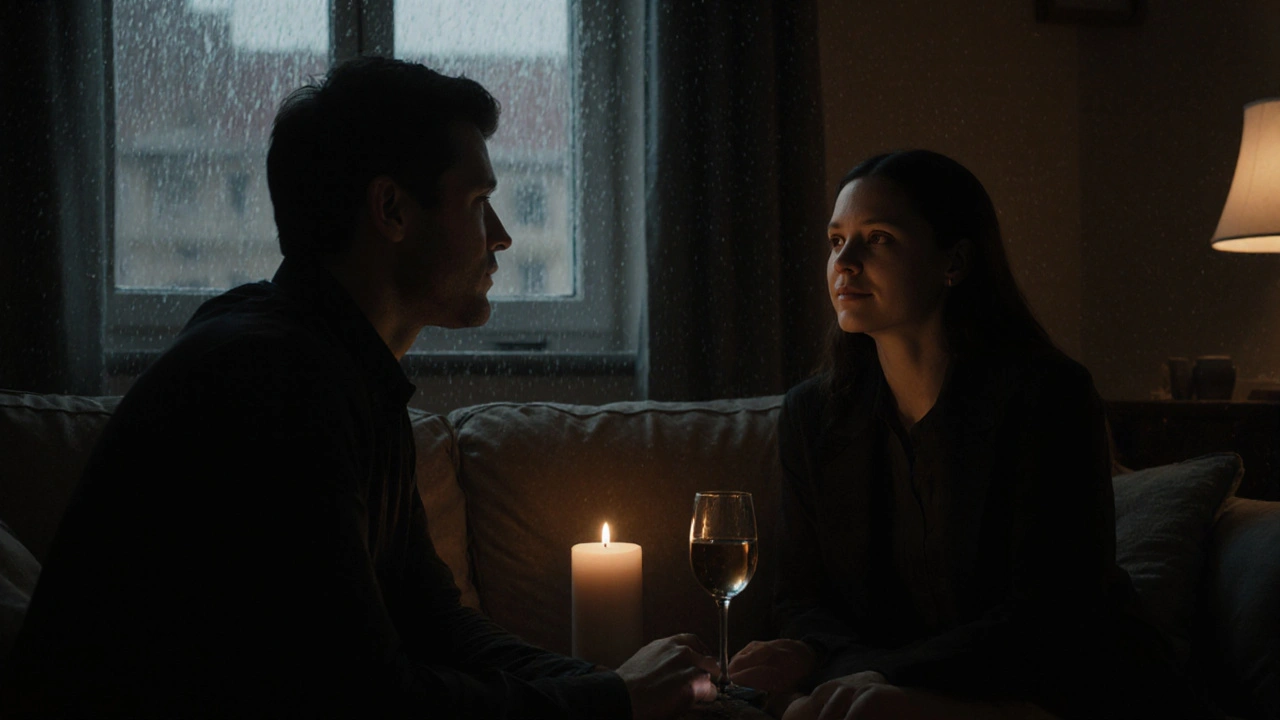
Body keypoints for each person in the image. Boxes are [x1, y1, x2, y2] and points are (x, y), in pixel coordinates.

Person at [1, 57, 717, 718]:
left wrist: (615, 690)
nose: (500, 235)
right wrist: (615, 702)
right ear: (392, 211)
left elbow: (435, 622)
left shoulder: (340, 370)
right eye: (476, 202)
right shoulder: (271, 386)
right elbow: (372, 700)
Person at [725, 150, 1207, 719]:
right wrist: (835, 664)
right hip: (886, 679)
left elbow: (1052, 612)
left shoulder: (1047, 396)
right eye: (836, 241)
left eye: (877, 238)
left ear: (953, 261)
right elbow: (801, 602)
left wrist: (884, 674)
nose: (845, 262)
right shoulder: (813, 414)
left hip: (1056, 680)